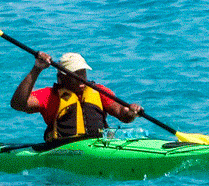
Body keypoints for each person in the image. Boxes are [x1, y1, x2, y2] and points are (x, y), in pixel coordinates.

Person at [10, 51, 142, 143]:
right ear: (61, 78)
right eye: (74, 75)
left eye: (82, 73)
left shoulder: (99, 91)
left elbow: (121, 113)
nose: (81, 79)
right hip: (64, 150)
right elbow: (18, 104)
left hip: (99, 146)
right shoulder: (50, 96)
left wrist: (130, 113)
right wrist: (37, 69)